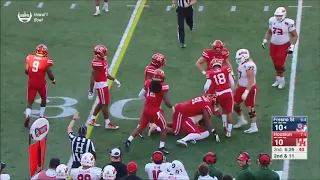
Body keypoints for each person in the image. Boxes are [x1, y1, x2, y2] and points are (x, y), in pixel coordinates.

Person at [124, 69, 174, 154]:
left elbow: (141, 95)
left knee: (141, 127)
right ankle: (161, 147)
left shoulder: (148, 82)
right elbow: (166, 101)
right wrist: (172, 107)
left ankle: (129, 140)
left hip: (146, 109)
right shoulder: (163, 86)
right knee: (164, 128)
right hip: (155, 111)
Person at [262, 7, 298, 89]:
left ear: (284, 15)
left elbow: (295, 35)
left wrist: (292, 46)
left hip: (283, 45)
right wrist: (265, 39)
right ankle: (278, 79)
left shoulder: (288, 22)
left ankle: (282, 80)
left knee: (279, 64)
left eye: (280, 15)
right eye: (277, 15)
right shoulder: (272, 20)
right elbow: (269, 31)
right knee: (275, 63)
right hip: (273, 45)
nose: (278, 17)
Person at [88, 44, 121, 129]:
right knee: (105, 104)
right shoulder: (97, 63)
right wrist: (91, 90)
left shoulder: (102, 61)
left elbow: (105, 74)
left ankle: (92, 119)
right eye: (104, 52)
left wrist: (114, 80)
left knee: (102, 103)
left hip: (103, 84)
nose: (106, 53)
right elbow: (92, 76)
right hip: (101, 85)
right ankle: (107, 123)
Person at [24, 44, 56, 128]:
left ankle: (28, 115)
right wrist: (53, 80)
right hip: (41, 83)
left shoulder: (30, 57)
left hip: (31, 82)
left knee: (30, 101)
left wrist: (32, 75)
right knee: (44, 99)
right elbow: (49, 72)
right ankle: (41, 116)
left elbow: (26, 70)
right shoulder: (46, 60)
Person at [137, 53, 166, 138]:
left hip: (148, 91)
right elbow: (150, 84)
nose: (163, 63)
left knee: (149, 112)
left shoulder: (151, 67)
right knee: (151, 111)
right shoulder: (151, 69)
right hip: (150, 93)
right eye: (162, 61)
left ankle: (151, 125)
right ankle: (141, 129)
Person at [204, 60, 235, 137]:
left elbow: (206, 86)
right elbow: (232, 82)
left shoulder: (210, 73)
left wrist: (207, 93)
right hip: (228, 92)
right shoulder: (226, 69)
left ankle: (224, 125)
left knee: (223, 109)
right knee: (229, 112)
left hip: (219, 94)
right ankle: (229, 132)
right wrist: (232, 91)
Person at [233, 49, 259, 133]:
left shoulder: (249, 66)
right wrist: (238, 84)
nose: (238, 60)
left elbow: (251, 80)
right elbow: (242, 76)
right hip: (241, 87)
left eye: (239, 58)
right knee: (234, 103)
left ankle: (254, 126)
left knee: (249, 107)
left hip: (249, 88)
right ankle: (241, 119)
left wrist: (246, 92)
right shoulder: (243, 64)